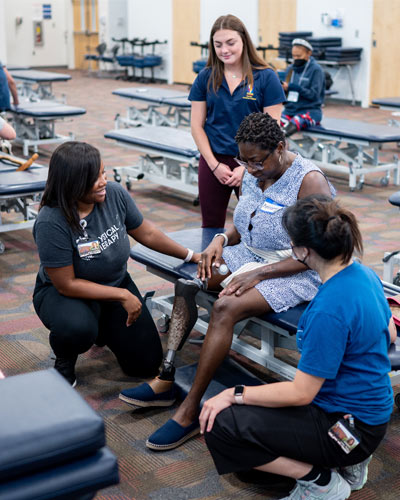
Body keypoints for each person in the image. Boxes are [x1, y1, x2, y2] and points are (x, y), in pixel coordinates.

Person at [119, 112, 335, 450]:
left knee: (225, 307)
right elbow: (246, 220)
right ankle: (165, 376)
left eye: (257, 161)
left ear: (280, 147)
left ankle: (190, 411)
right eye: (244, 161)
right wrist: (221, 237)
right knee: (189, 282)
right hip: (248, 256)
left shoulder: (309, 182)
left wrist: (258, 274)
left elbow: (319, 252)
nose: (249, 168)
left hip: (296, 270)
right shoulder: (254, 169)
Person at [200, 195, 396, 500]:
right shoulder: (364, 275)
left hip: (346, 426)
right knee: (248, 464)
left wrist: (232, 394)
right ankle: (353, 461)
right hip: (371, 417)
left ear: (304, 251)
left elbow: (301, 393)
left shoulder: (328, 310)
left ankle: (321, 482)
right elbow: (391, 335)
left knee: (222, 425)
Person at [32, 141, 200, 387]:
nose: (103, 181)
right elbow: (66, 284)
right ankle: (64, 356)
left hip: (113, 284)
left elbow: (148, 233)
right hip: (67, 295)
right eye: (94, 178)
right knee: (77, 329)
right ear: (72, 183)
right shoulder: (51, 221)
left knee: (145, 364)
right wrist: (122, 295)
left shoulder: (114, 194)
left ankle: (102, 327)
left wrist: (190, 255)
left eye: (103, 172)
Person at [189, 14, 286, 228]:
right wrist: (214, 165)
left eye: (230, 43)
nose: (225, 50)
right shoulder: (205, 77)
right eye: (218, 45)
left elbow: (273, 129)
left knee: (257, 226)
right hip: (214, 161)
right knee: (211, 225)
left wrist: (247, 167)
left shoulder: (266, 77)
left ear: (244, 40)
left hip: (256, 164)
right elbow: (196, 126)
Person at [281, 39, 325, 137]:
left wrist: (293, 87)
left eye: (299, 56)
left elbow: (314, 95)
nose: (296, 59)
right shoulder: (290, 69)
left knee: (290, 127)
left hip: (310, 111)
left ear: (308, 53)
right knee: (271, 127)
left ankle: (282, 151)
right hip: (290, 111)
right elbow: (285, 96)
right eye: (294, 56)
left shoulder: (316, 70)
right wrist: (283, 89)